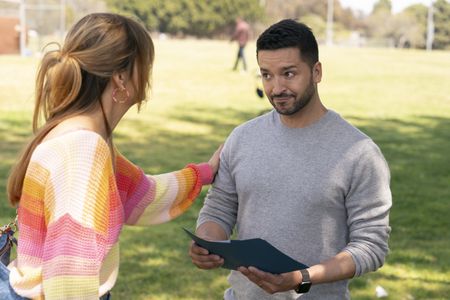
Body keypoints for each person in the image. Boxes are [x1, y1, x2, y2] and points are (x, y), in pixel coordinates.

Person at [1, 13, 221, 300]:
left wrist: (205, 172)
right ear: (121, 78)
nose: (149, 77)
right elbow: (70, 274)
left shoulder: (83, 136)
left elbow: (141, 195)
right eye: (145, 65)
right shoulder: (82, 152)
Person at [189, 19, 392, 299]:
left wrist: (302, 279)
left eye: (289, 73)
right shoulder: (242, 138)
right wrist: (209, 243)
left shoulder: (359, 153)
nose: (276, 88)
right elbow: (219, 207)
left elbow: (371, 245)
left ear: (317, 72)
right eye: (267, 75)